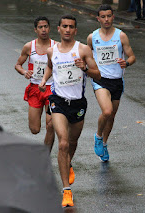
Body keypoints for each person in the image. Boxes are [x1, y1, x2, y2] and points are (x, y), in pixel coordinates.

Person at [39, 14, 101, 208]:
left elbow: (97, 74)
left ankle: (68, 163)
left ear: (75, 30)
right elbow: (50, 67)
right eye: (64, 26)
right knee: (63, 143)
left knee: (72, 142)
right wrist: (43, 81)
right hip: (58, 102)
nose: (67, 29)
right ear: (58, 29)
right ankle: (67, 191)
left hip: (78, 104)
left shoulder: (83, 49)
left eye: (71, 27)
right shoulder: (52, 51)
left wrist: (85, 69)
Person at [87, 4, 136, 162]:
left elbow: (132, 57)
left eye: (109, 16)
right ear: (98, 18)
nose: (106, 19)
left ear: (113, 17)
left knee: (112, 116)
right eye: (103, 16)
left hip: (117, 81)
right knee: (106, 111)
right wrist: (87, 69)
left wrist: (126, 63)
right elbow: (86, 56)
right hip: (100, 80)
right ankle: (98, 137)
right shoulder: (92, 37)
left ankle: (105, 143)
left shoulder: (121, 36)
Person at [15, 16, 55, 151]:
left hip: (52, 89)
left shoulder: (56, 46)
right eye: (40, 27)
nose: (44, 30)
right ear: (35, 30)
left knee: (51, 125)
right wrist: (24, 72)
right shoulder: (29, 46)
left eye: (46, 26)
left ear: (49, 28)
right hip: (35, 89)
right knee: (34, 129)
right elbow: (18, 65)